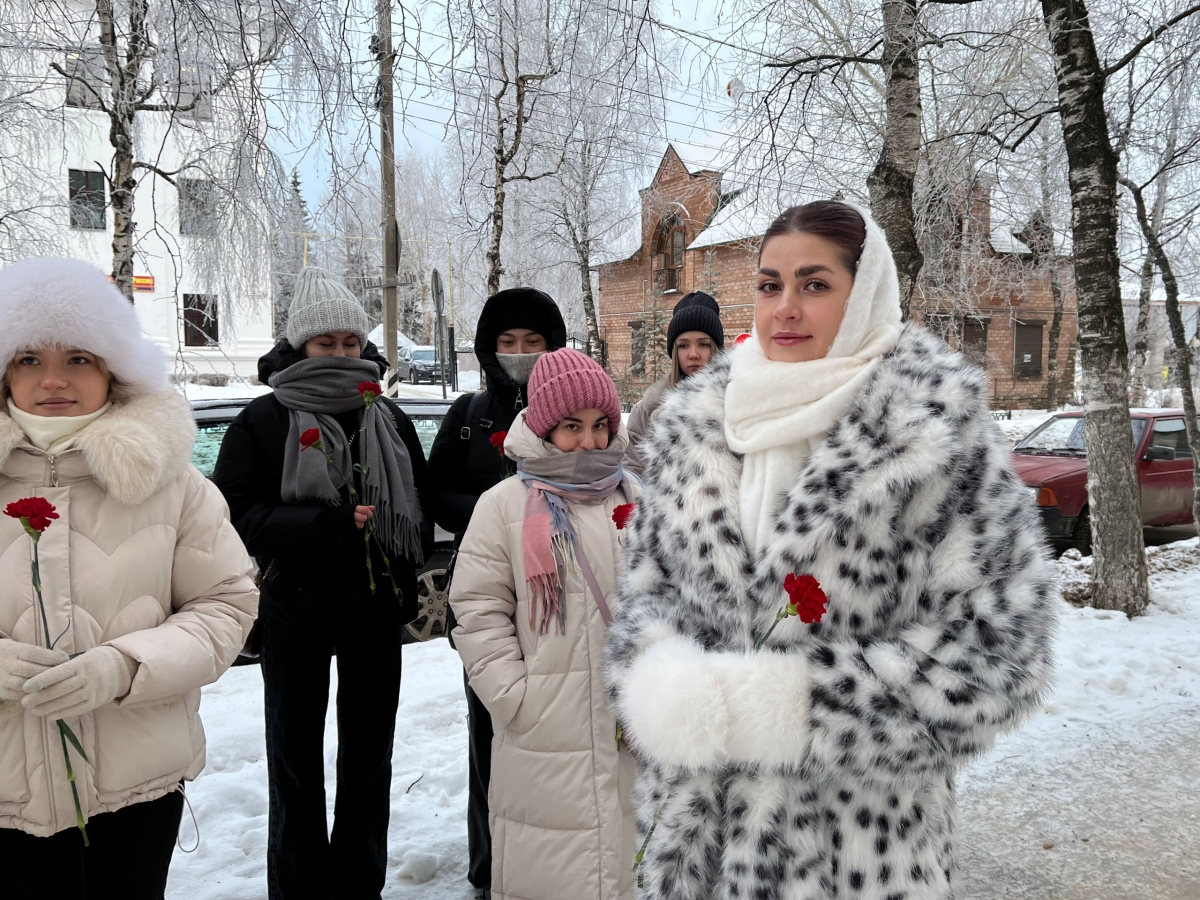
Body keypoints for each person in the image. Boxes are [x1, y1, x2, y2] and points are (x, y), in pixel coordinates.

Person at [604, 201, 1057, 900]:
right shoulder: (693, 429)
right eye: (769, 285)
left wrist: (795, 706)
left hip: (860, 853)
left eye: (814, 284)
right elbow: (645, 594)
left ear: (865, 292)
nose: (785, 307)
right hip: (699, 849)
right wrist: (662, 685)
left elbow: (1004, 652)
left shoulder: (933, 434)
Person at [0, 258, 258, 898]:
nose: (53, 378)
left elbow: (225, 606)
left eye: (79, 358)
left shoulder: (174, 484)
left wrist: (123, 667)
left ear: (113, 370)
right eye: (29, 358)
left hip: (136, 788)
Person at [212, 266, 433, 900]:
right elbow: (233, 514)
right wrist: (323, 525)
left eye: (350, 342)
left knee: (369, 763)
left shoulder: (386, 415)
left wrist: (403, 567)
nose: (340, 353)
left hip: (373, 617)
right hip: (295, 613)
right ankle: (299, 888)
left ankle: (360, 886)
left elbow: (417, 506)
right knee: (295, 765)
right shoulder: (264, 419)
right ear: (299, 345)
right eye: (325, 342)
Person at [450, 348, 639, 900]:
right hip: (543, 734)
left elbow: (671, 595)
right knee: (553, 870)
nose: (590, 442)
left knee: (630, 863)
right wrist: (514, 698)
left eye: (600, 425)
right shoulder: (504, 505)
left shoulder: (637, 497)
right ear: (543, 427)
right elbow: (477, 609)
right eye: (572, 426)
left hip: (630, 728)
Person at [427, 287, 566, 900]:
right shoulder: (469, 415)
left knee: (556, 729)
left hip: (560, 597)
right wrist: (502, 517)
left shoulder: (570, 410)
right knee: (488, 727)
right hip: (486, 599)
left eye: (533, 342)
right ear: (488, 349)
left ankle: (554, 858)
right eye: (508, 342)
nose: (520, 353)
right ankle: (489, 866)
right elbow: (436, 493)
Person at [624, 291, 723, 477]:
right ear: (674, 351)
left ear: (716, 349)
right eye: (683, 345)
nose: (693, 354)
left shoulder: (736, 405)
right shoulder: (645, 412)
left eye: (703, 344)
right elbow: (634, 477)